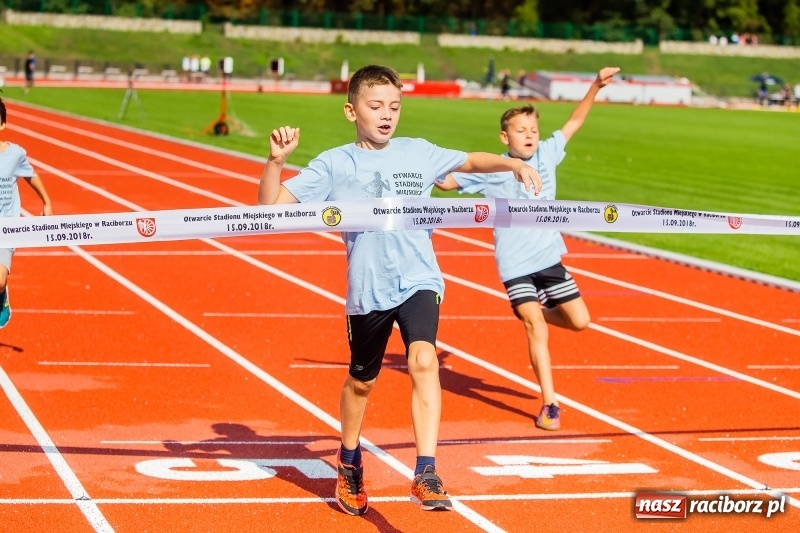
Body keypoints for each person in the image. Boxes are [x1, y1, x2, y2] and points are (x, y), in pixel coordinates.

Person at [257, 64, 541, 516]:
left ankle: (425, 471)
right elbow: (269, 210)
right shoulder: (335, 163)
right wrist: (276, 162)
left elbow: (468, 161)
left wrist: (510, 162)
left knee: (423, 359)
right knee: (362, 382)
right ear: (351, 111)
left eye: (394, 106)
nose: (387, 115)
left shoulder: (419, 152)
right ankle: (348, 459)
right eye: (375, 106)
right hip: (368, 290)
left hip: (419, 279)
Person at [437, 66, 620, 431]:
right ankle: (550, 403)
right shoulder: (492, 167)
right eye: (521, 131)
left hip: (549, 256)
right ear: (505, 136)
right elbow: (445, 182)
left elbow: (574, 122)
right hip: (515, 263)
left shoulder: (548, 154)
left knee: (580, 322)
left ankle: (529, 309)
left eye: (533, 130)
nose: (529, 136)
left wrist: (594, 85)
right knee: (535, 325)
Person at [0, 96, 53, 328]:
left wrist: (46, 202)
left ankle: (2, 296)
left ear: (2, 124)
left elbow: (32, 176)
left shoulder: (15, 154)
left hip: (7, 226)